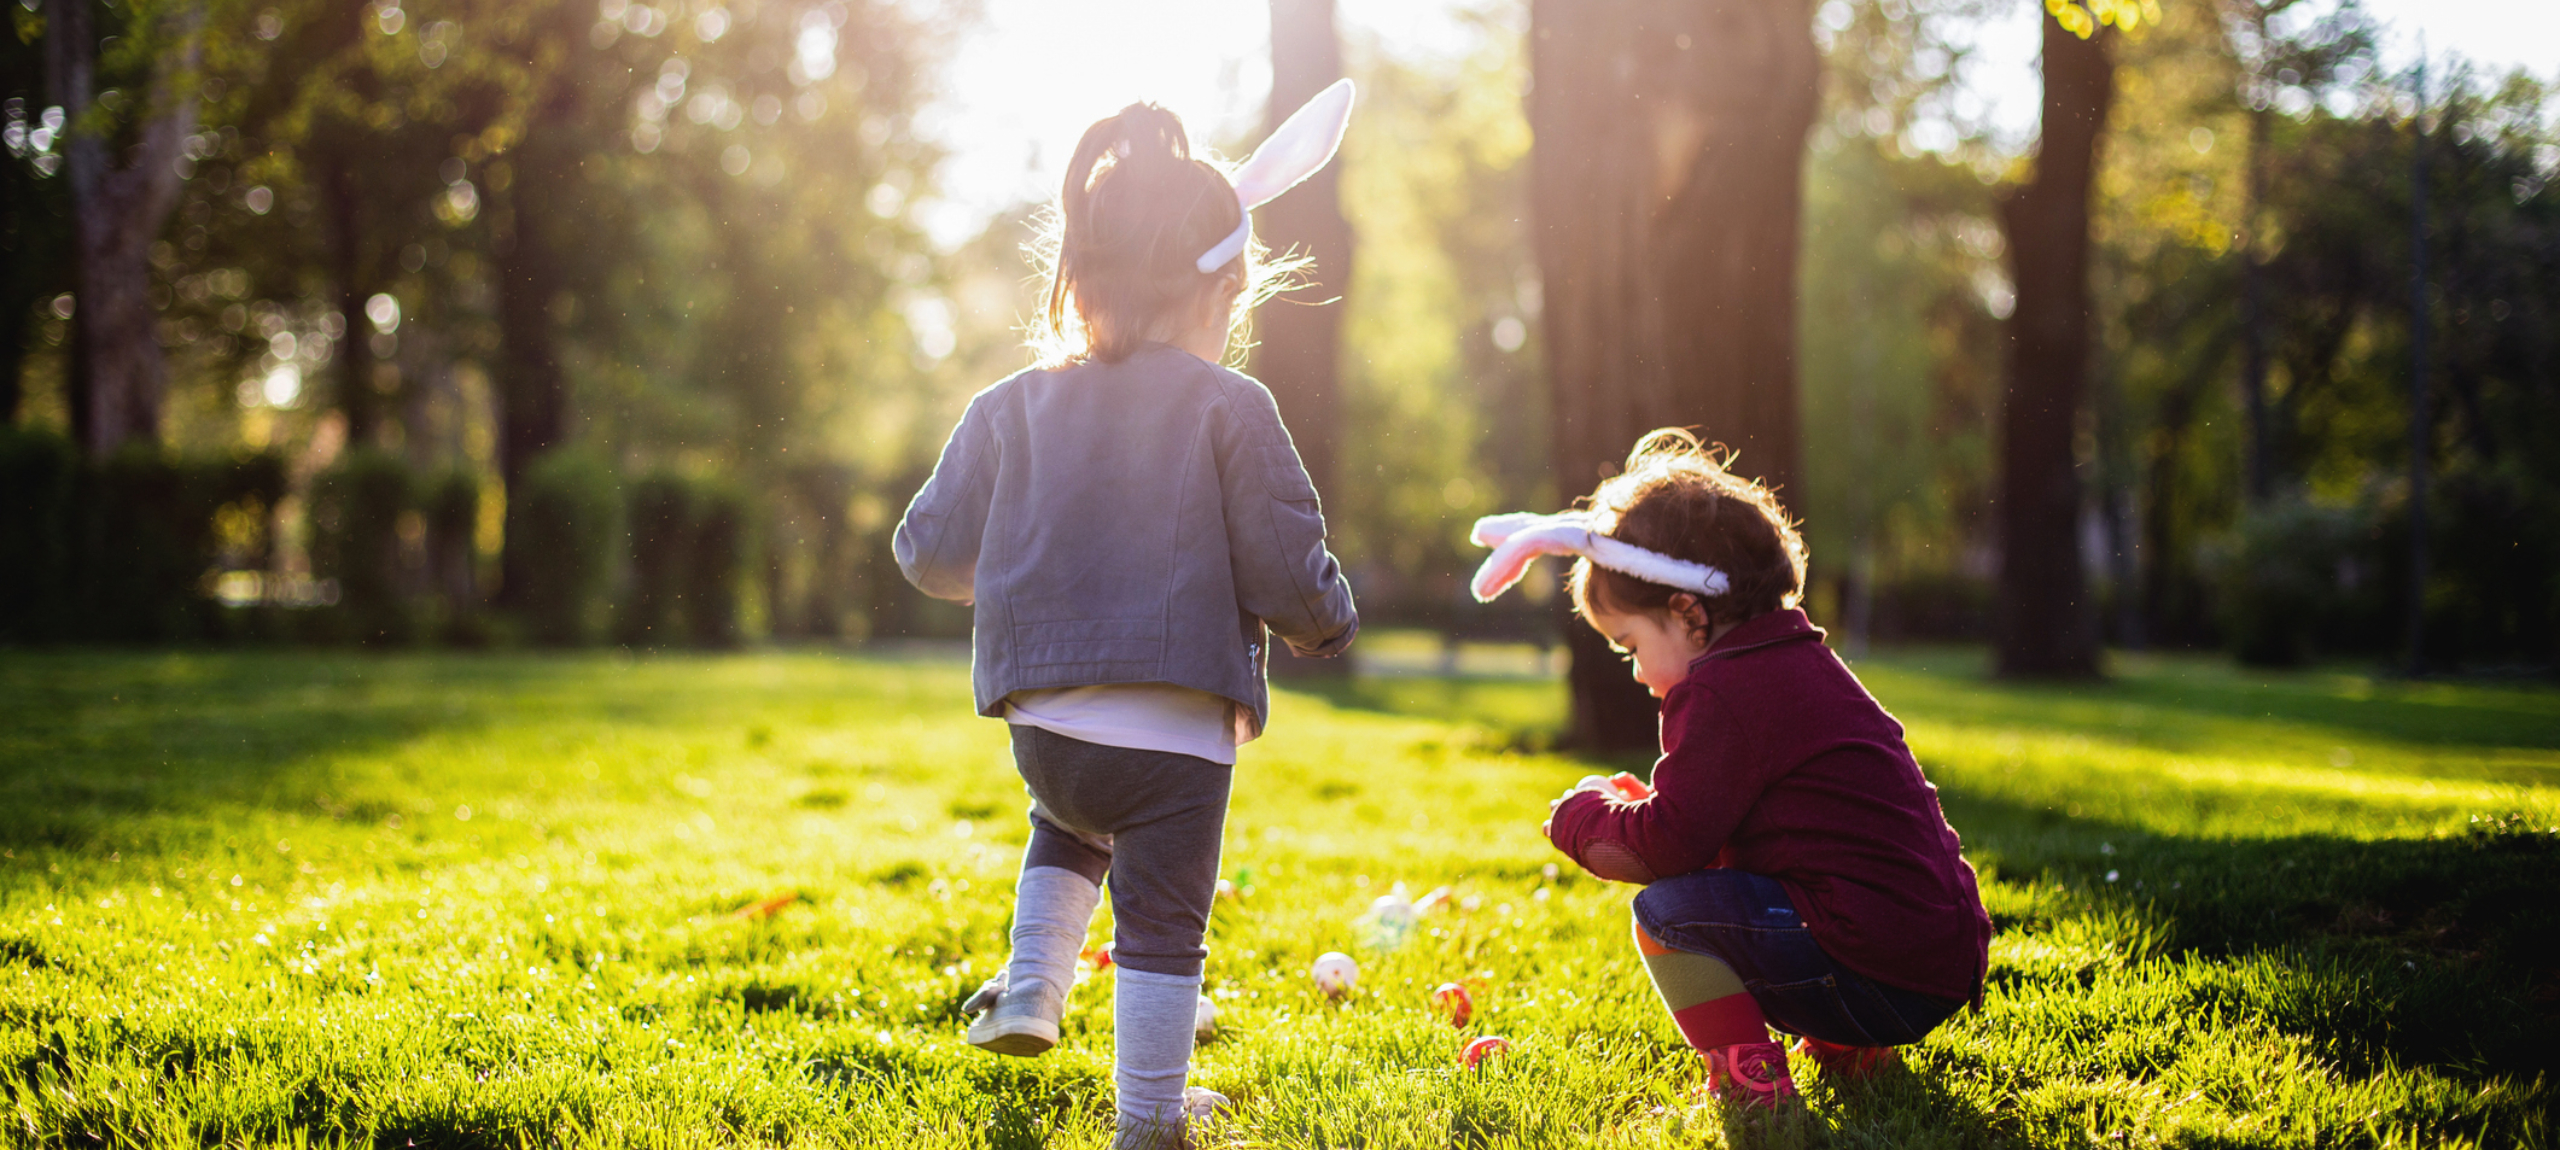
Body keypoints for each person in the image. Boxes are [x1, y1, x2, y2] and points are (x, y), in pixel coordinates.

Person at [894, 84, 1361, 1148]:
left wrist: (1006, 571)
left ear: (1080, 279)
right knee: (1161, 920)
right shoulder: (1230, 406)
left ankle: (1030, 988)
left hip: (1045, 735)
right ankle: (1150, 1118)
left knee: (1064, 826)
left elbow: (925, 550)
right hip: (1175, 738)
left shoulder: (1007, 404)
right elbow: (1287, 564)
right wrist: (1324, 626)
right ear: (1223, 291)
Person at [1466, 429, 1992, 1108]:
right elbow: (1762, 825)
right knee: (1731, 895)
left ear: (1688, 612)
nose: (1633, 671)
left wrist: (1582, 821)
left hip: (1875, 971)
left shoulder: (1720, 689)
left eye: (1630, 646)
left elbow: (1668, 847)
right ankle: (1848, 1045)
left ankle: (1750, 1081)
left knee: (1668, 917)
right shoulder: (1791, 659)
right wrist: (1652, 808)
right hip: (1932, 959)